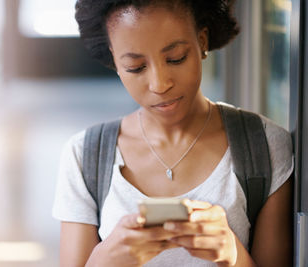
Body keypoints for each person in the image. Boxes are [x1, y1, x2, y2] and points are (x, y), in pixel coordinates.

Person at [52, 0, 293, 266]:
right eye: (136, 67)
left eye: (176, 58)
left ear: (202, 41)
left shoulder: (264, 147)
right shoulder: (85, 156)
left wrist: (233, 255)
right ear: (114, 60)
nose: (160, 84)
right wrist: (104, 260)